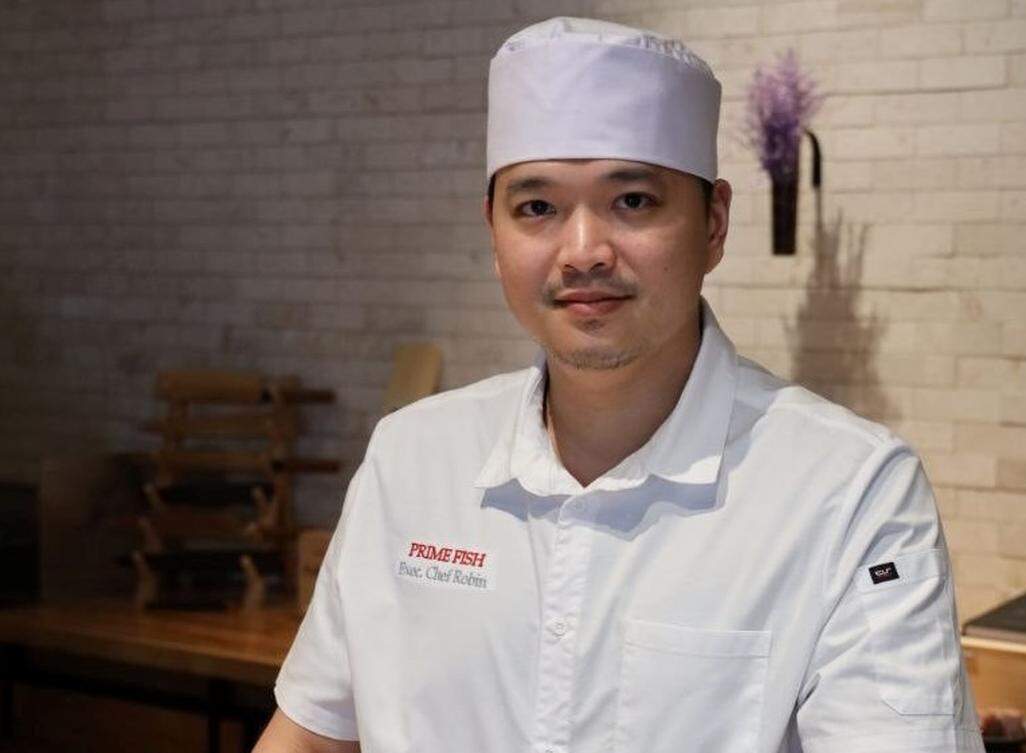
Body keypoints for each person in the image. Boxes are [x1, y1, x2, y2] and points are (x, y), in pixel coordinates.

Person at [253, 16, 986, 753]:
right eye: (536, 207)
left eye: (632, 201)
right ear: (493, 233)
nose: (583, 253)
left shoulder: (851, 490)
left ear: (714, 223)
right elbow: (311, 737)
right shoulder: (412, 455)